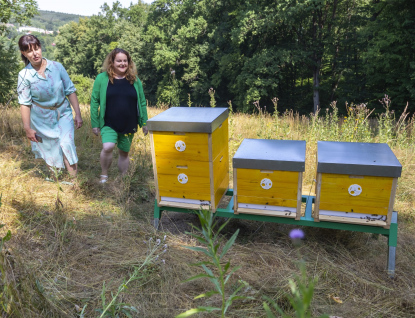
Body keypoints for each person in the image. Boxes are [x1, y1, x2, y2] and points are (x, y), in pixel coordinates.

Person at [17, 35, 83, 178]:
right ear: (23, 53)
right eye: (29, 51)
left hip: (63, 113)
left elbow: (70, 90)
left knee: (67, 143)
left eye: (37, 48)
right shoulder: (24, 75)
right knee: (50, 149)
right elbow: (24, 103)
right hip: (41, 119)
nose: (35, 53)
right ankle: (56, 183)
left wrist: (77, 114)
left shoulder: (57, 67)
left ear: (41, 48)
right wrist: (27, 128)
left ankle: (74, 183)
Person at [90, 48, 148, 183]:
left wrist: (144, 122)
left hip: (129, 123)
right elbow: (94, 102)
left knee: (124, 152)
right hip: (108, 122)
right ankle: (104, 174)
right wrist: (95, 124)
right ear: (112, 62)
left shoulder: (135, 80)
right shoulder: (102, 78)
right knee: (108, 147)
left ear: (129, 62)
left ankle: (123, 179)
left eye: (125, 61)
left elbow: (142, 102)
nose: (122, 64)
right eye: (119, 61)